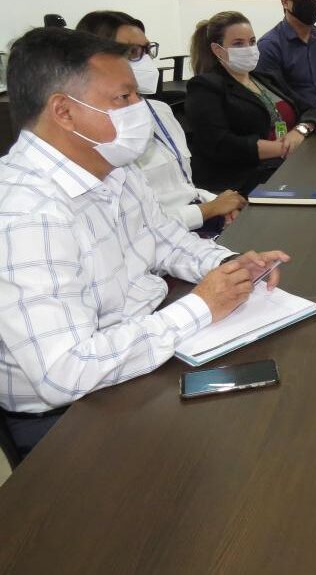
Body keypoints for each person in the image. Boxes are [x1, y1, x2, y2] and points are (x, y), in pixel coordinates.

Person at [0, 27, 289, 454]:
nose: (141, 109)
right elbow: (64, 371)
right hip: (71, 416)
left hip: (139, 348)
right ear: (64, 112)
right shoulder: (25, 213)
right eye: (124, 98)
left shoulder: (112, 166)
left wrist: (226, 265)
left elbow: (163, 239)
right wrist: (200, 306)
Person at [75, 10, 246, 233]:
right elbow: (136, 224)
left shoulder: (160, 110)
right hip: (168, 236)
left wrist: (221, 204)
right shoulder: (96, 129)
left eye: (147, 50)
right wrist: (209, 209)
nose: (145, 60)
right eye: (133, 52)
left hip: (199, 226)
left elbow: (185, 187)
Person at [185, 11, 316, 195]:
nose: (249, 48)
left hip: (292, 160)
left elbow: (310, 110)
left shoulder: (267, 78)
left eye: (252, 42)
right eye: (238, 44)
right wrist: (281, 148)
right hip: (249, 177)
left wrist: (300, 131)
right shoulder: (205, 87)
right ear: (218, 50)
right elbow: (221, 144)